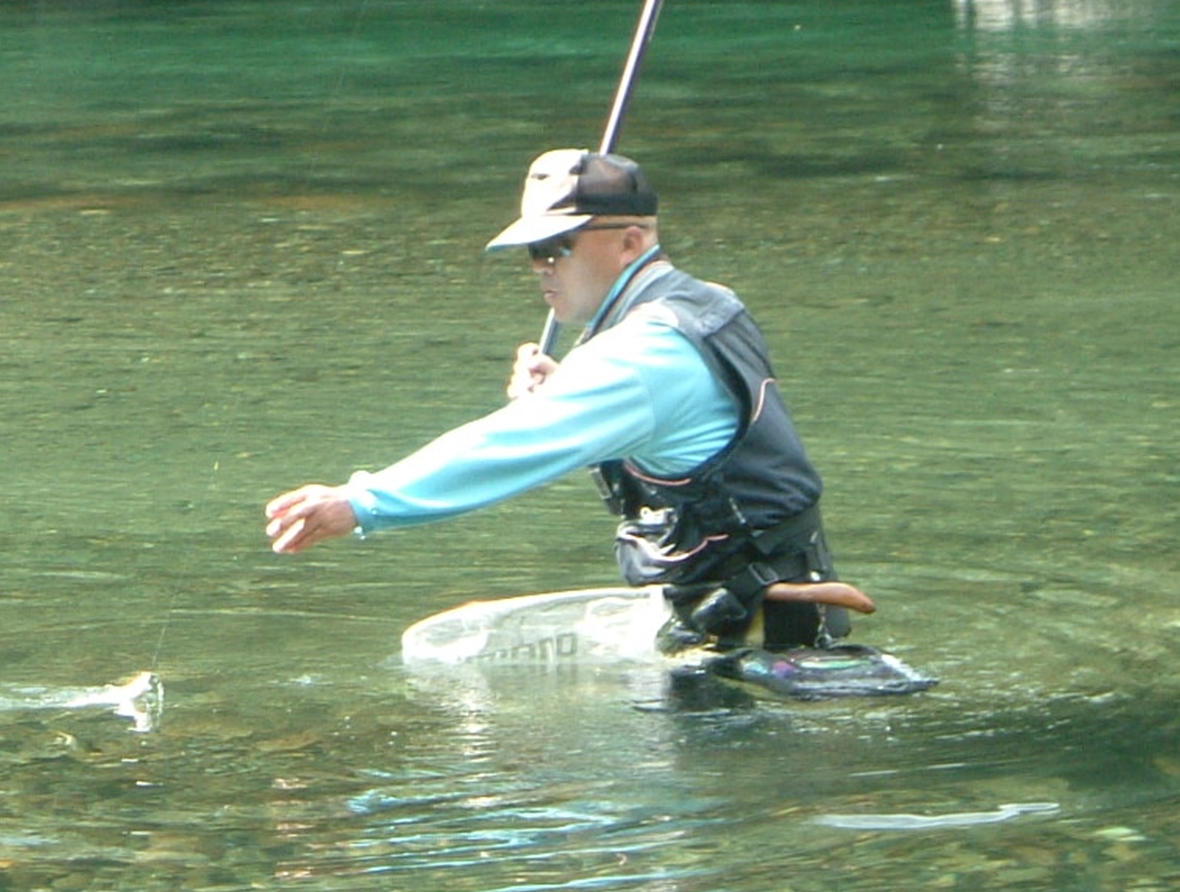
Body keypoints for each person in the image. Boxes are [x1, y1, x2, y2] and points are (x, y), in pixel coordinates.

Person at [264, 148, 867, 653]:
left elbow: (504, 448)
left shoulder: (637, 353)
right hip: (786, 600)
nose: (542, 268)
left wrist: (363, 502)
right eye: (534, 253)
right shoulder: (706, 303)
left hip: (744, 628)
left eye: (558, 247)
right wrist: (570, 385)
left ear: (629, 243)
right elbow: (675, 425)